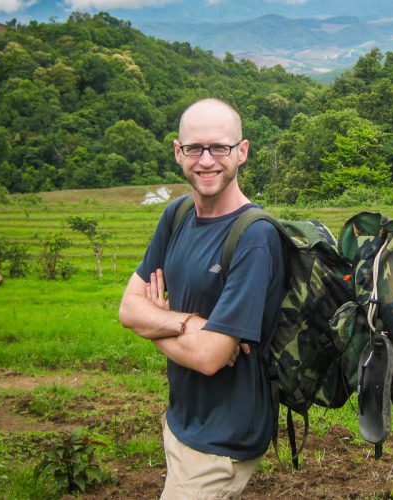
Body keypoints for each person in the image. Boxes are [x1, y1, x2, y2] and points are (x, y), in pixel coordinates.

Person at [118, 98, 285, 499]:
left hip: (223, 438)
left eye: (219, 148)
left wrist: (153, 320)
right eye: (194, 148)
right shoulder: (176, 215)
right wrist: (187, 324)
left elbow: (211, 357)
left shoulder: (255, 236)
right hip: (182, 418)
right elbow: (127, 308)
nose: (206, 160)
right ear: (178, 151)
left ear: (241, 152)